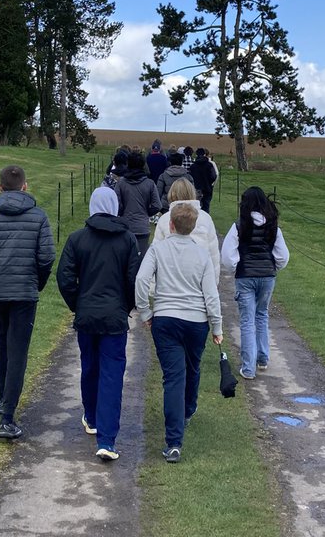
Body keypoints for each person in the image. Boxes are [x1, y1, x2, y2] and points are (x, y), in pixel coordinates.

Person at [0, 164, 55, 440]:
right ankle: (7, 416)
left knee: (2, 340)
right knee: (17, 349)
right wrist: (36, 282)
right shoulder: (39, 218)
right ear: (25, 186)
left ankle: (4, 398)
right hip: (24, 292)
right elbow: (46, 257)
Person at [56, 187, 141, 462]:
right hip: (114, 317)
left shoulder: (77, 239)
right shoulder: (127, 240)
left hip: (87, 315)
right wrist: (126, 306)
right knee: (111, 375)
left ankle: (91, 416)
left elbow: (65, 278)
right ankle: (107, 439)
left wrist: (77, 304)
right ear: (115, 206)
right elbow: (133, 281)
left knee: (90, 366)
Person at [136, 201, 223, 463]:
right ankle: (187, 409)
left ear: (171, 224)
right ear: (193, 226)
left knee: (173, 377)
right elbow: (211, 295)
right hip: (196, 321)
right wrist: (216, 326)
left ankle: (174, 441)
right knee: (192, 367)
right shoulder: (202, 255)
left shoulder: (158, 249)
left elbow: (141, 280)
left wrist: (145, 312)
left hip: (166, 318)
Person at [220, 187, 289, 381]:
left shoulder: (239, 225)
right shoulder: (273, 226)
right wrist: (273, 267)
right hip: (267, 276)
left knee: (247, 320)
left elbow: (227, 255)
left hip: (245, 277)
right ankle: (263, 358)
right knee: (262, 315)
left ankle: (248, 367)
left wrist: (236, 268)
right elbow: (283, 255)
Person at [152, 177, 220, 283]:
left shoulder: (165, 218)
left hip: (171, 279)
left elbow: (155, 253)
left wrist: (154, 284)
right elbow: (213, 254)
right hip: (199, 276)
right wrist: (213, 283)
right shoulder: (205, 218)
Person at [116, 151, 161, 258]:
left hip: (125, 226)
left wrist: (122, 213)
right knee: (141, 260)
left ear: (128, 164)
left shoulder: (121, 183)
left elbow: (117, 204)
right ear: (143, 165)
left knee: (125, 259)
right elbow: (157, 205)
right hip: (142, 228)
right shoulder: (149, 183)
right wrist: (146, 212)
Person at [189, 147, 218, 212]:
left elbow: (190, 178)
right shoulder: (209, 165)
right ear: (205, 154)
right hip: (207, 188)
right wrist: (209, 183)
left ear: (196, 155)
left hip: (196, 188)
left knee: (195, 207)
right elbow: (214, 176)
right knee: (206, 206)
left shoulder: (193, 166)